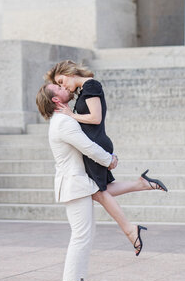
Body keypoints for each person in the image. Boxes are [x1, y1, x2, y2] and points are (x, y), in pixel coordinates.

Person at [45, 60, 168, 256]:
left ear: (69, 72)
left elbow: (95, 118)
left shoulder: (92, 85)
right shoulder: (85, 90)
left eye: (61, 81)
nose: (62, 86)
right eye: (58, 85)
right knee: (101, 190)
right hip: (96, 143)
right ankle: (142, 185)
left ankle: (130, 229)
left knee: (98, 192)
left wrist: (70, 114)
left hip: (96, 144)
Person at [36, 81, 118, 281]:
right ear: (56, 100)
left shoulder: (63, 119)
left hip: (77, 184)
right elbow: (88, 147)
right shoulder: (63, 122)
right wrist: (110, 160)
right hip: (74, 185)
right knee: (81, 235)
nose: (67, 88)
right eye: (60, 88)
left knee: (86, 234)